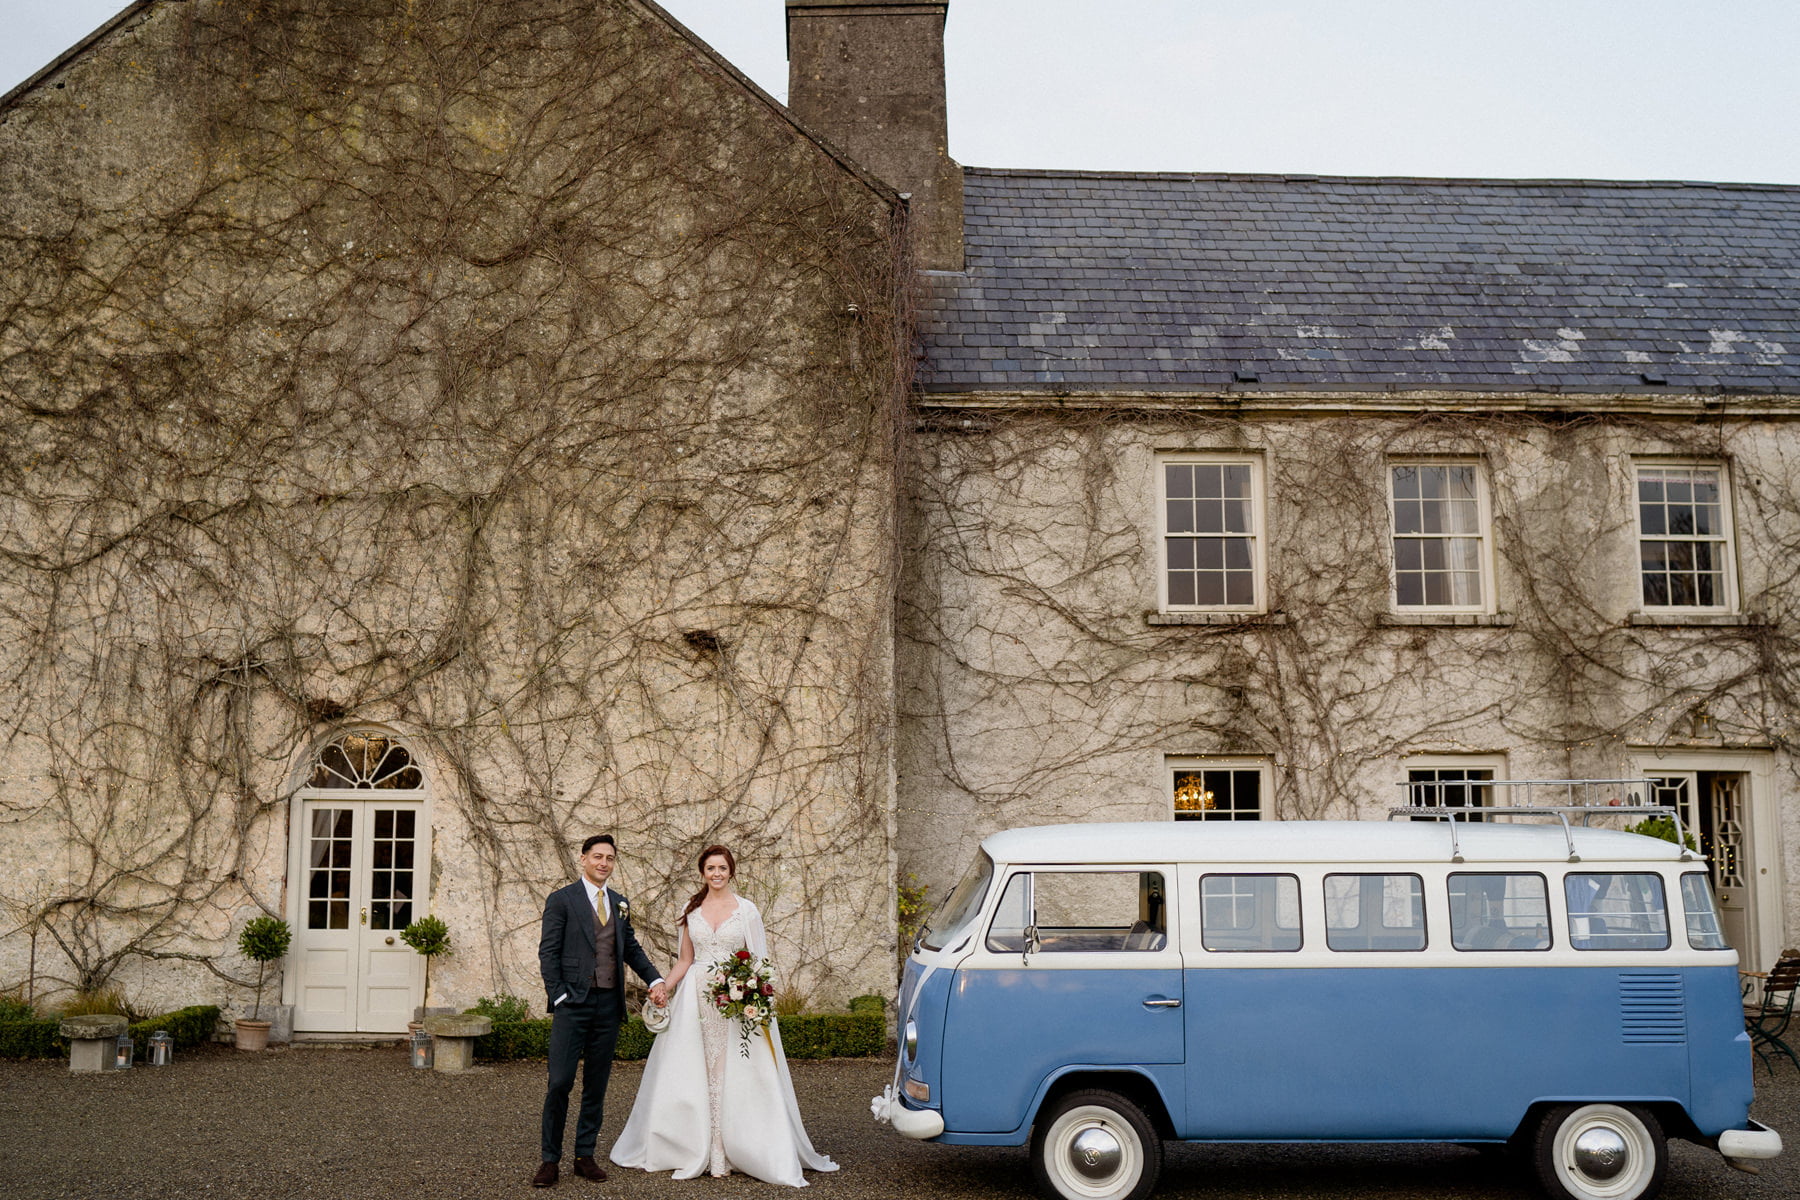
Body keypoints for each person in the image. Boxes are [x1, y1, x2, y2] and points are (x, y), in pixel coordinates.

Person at [611, 845, 838, 1186]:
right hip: (695, 1000)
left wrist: (752, 992)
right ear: (702, 872)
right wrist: (664, 988)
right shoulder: (692, 909)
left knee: (737, 1072)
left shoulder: (747, 911)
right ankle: (698, 1146)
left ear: (731, 871)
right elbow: (685, 960)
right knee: (694, 1071)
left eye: (722, 868)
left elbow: (759, 963)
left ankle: (739, 1146)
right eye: (710, 868)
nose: (716, 873)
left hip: (734, 1002)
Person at [535, 834, 668, 1189]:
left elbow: (632, 949)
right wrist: (559, 996)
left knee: (596, 1084)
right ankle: (550, 1160)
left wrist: (655, 980)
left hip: (608, 1006)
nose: (603, 863)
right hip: (573, 1005)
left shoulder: (620, 903)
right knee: (560, 1082)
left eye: (609, 858)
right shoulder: (562, 900)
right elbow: (548, 952)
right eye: (597, 857)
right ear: (583, 859)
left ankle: (584, 1155)